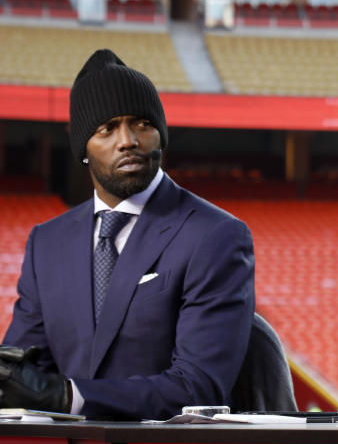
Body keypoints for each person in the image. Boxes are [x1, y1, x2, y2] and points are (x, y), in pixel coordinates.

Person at [0, 49, 255, 420]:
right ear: (83, 147)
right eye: (107, 129)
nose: (128, 141)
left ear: (161, 135)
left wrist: (68, 397)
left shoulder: (215, 235)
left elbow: (200, 388)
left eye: (142, 124)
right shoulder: (46, 242)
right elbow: (24, 371)